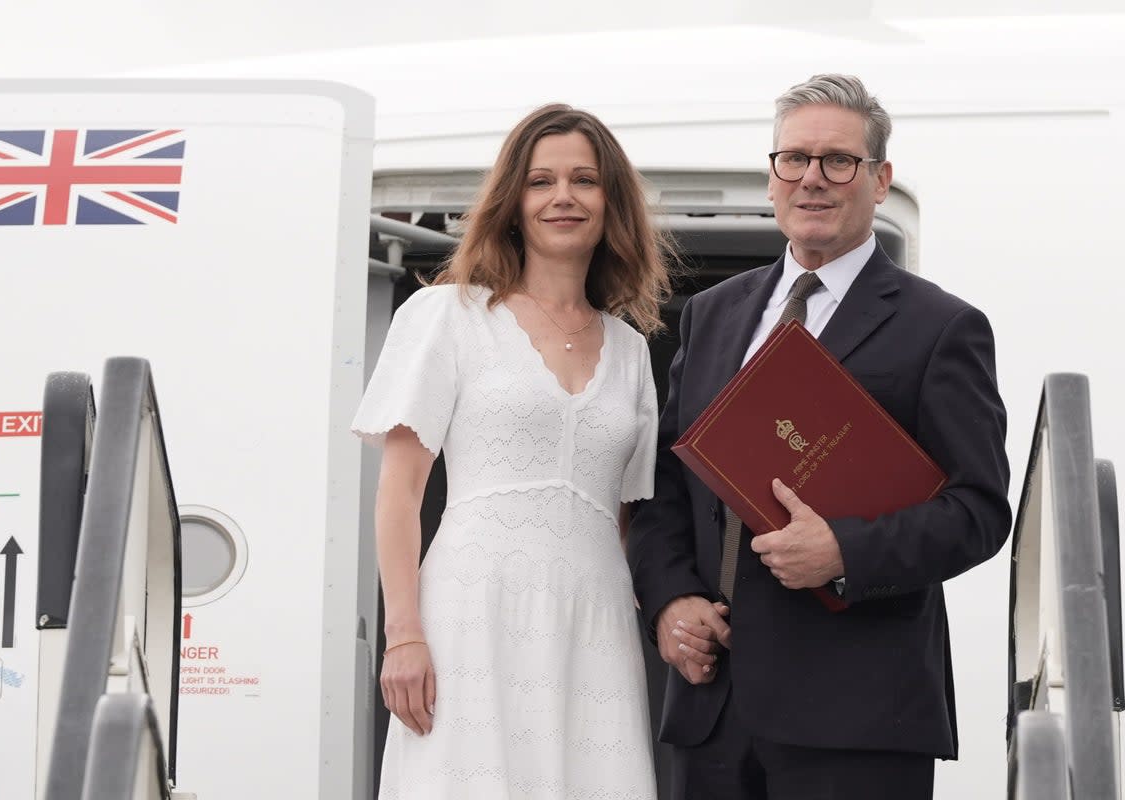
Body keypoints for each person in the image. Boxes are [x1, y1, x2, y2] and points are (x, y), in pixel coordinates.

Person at [627, 74, 1012, 799]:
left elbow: (980, 512)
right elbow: (664, 487)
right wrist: (672, 599)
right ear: (771, 178)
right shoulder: (712, 314)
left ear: (879, 179)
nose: (813, 179)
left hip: (859, 715)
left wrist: (844, 552)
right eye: (794, 160)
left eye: (839, 161)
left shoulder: (942, 327)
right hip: (713, 710)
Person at [352, 103, 674, 799]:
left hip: (594, 624)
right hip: (471, 614)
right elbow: (400, 493)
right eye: (541, 181)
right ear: (513, 201)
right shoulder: (447, 316)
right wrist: (403, 635)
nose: (563, 197)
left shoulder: (631, 353)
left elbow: (630, 523)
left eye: (584, 180)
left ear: (610, 202)